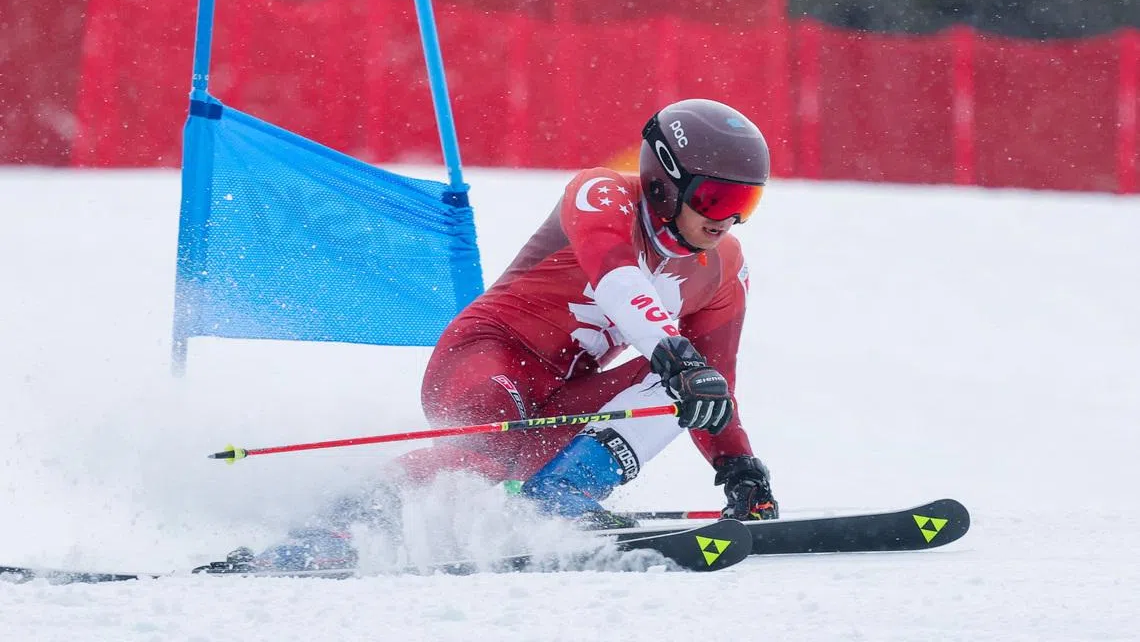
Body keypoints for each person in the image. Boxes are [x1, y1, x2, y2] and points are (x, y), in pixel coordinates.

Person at [222, 98, 778, 573]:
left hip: (562, 396)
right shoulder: (600, 195)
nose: (726, 221)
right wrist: (673, 352)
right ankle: (334, 520)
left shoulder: (724, 267)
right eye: (715, 200)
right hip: (486, 357)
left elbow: (712, 381)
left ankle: (562, 491)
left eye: (744, 204)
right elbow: (616, 277)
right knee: (494, 447)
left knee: (689, 379)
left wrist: (736, 466)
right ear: (664, 182)